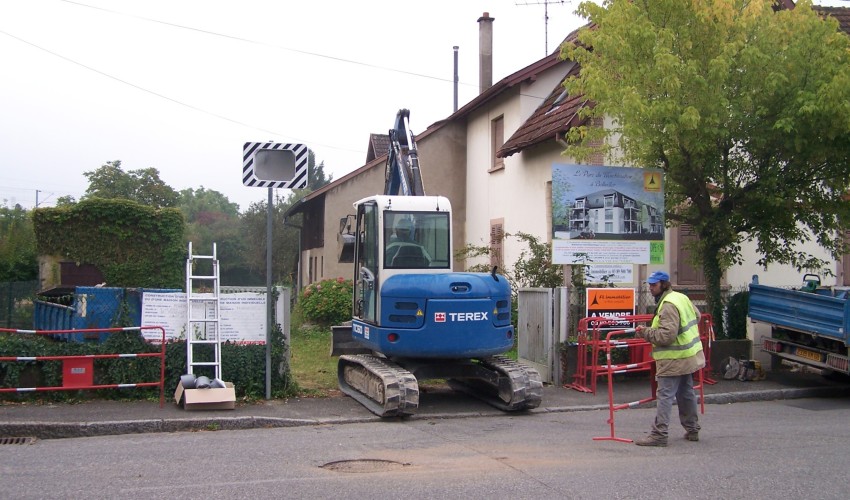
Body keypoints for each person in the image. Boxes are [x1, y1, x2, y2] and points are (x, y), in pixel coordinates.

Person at [633, 270, 706, 447]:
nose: (650, 288)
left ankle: (659, 434)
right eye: (649, 284)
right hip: (688, 355)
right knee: (686, 393)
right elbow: (697, 316)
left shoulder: (668, 305)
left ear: (663, 285)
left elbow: (666, 337)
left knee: (665, 395)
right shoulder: (680, 298)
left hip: (673, 358)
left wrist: (645, 332)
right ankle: (692, 429)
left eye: (654, 285)